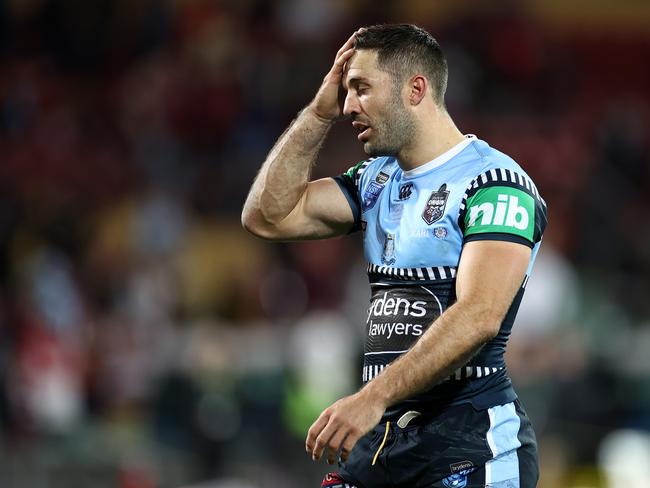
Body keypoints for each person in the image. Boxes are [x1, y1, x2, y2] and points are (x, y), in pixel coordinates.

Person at [242, 24, 547, 488]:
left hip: (471, 446)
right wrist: (318, 112)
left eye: (361, 88)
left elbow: (481, 314)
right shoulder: (374, 180)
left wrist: (372, 397)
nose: (348, 106)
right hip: (385, 445)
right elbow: (266, 216)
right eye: (345, 92)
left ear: (415, 89)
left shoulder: (497, 183)